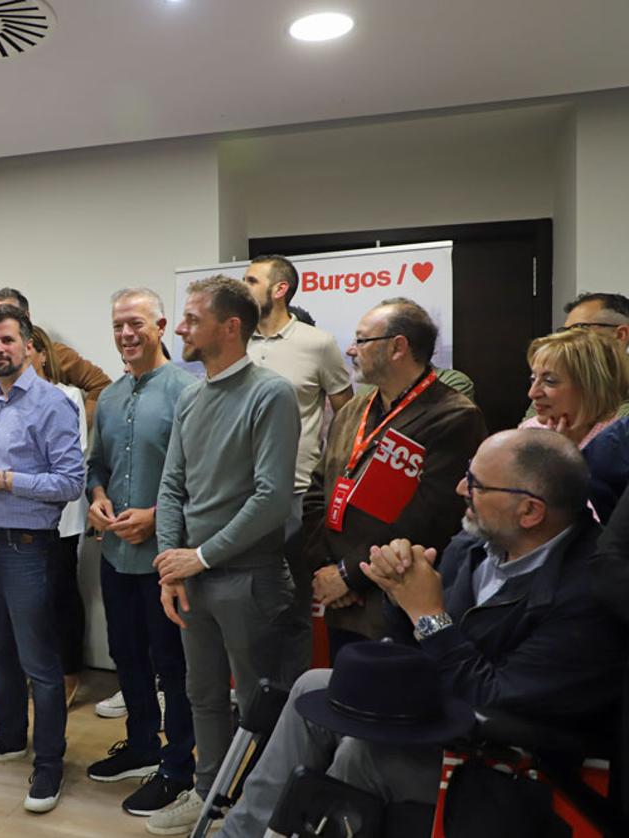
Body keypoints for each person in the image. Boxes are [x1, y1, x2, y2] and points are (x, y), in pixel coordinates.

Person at [220, 429, 628, 836]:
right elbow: (411, 643)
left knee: (365, 752)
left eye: (475, 483)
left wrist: (428, 614)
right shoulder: (474, 546)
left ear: (530, 512)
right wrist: (400, 592)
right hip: (444, 716)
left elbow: (497, 700)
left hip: (514, 764)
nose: (460, 488)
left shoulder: (586, 597)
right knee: (314, 686)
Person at [148, 276, 302, 836]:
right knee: (201, 695)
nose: (181, 328)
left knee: (259, 702)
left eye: (191, 318)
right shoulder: (192, 396)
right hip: (192, 580)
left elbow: (271, 498)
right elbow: (171, 489)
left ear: (231, 326)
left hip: (248, 579)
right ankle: (207, 797)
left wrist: (201, 557)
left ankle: (257, 811)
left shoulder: (270, 393)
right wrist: (171, 565)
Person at [0, 303, 84, 815]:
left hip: (28, 549)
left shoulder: (52, 403)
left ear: (29, 345)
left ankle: (49, 762)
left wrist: (3, 480)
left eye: (7, 340)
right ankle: (9, 736)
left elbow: (69, 484)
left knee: (40, 665)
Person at [306, 298, 486, 654]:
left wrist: (349, 575)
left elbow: (430, 516)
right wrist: (326, 568)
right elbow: (317, 490)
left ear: (398, 347)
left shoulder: (453, 416)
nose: (350, 350)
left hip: (396, 599)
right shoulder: (355, 408)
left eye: (361, 340)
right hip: (339, 600)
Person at [86, 287, 197, 818]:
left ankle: (179, 768)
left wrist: (156, 516)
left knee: (172, 668)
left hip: (166, 560)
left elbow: (203, 479)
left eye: (135, 324)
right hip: (115, 558)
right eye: (117, 327)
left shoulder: (188, 391)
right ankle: (140, 746)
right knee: (125, 658)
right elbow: (96, 466)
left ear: (160, 325)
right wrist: (99, 497)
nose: (126, 335)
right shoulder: (108, 397)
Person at [244, 255, 353, 670]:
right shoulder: (237, 343)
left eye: (251, 280)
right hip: (239, 494)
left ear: (280, 289)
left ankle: (289, 707)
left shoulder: (317, 343)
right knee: (244, 604)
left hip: (295, 493)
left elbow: (346, 418)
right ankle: (251, 704)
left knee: (292, 608)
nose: (243, 288)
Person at [28, 325, 88, 707]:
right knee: (32, 598)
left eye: (25, 348)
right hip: (19, 516)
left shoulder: (68, 396)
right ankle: (39, 671)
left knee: (61, 592)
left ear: (41, 354)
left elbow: (74, 452)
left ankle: (69, 673)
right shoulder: (2, 399)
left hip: (61, 513)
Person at [0, 287, 111, 427]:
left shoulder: (55, 352)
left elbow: (101, 386)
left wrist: (77, 425)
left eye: (8, 314)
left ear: (26, 317)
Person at [523, 291, 629, 420]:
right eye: (565, 331)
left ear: (620, 334)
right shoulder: (561, 375)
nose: (570, 339)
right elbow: (529, 432)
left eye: (579, 329)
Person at [519, 327, 629, 449]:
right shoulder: (528, 432)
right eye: (533, 379)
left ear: (591, 388)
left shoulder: (620, 443)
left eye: (550, 381)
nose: (532, 393)